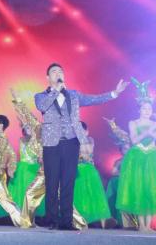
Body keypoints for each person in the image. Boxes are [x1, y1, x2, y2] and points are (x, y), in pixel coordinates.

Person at [34, 63, 127, 230]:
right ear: (48, 77)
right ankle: (52, 219)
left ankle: (66, 221)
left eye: (60, 71)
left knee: (68, 182)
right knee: (52, 182)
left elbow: (94, 99)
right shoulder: (40, 96)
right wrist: (56, 90)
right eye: (54, 72)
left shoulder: (74, 95)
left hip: (71, 142)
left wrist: (114, 93)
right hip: (51, 144)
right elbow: (42, 106)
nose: (58, 73)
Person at [10, 89, 87, 230]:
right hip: (43, 172)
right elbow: (27, 114)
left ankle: (78, 222)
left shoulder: (57, 130)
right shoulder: (37, 128)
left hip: (56, 169)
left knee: (63, 196)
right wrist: (18, 101)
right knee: (30, 194)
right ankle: (26, 222)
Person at [116, 78, 156, 231]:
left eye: (150, 109)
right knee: (139, 188)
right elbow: (133, 140)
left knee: (150, 189)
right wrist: (148, 132)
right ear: (139, 109)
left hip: (151, 156)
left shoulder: (154, 124)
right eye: (144, 109)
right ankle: (141, 225)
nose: (147, 111)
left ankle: (148, 225)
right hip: (138, 156)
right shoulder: (133, 123)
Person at [73, 122, 111, 227]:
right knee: (80, 195)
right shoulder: (73, 141)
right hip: (77, 170)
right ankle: (81, 221)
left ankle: (103, 223)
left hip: (89, 169)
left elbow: (87, 153)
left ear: (86, 131)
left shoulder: (90, 140)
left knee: (95, 194)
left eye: (82, 131)